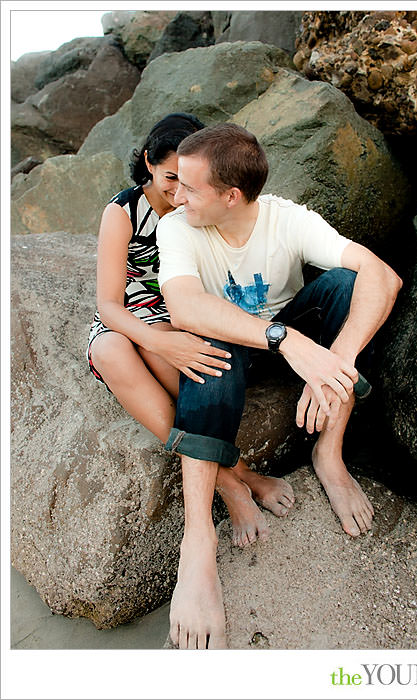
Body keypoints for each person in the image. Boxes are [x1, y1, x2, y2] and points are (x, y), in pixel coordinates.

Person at [156, 122, 402, 649]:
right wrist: (287, 340)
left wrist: (336, 362)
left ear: (231, 196)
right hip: (239, 343)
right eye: (175, 184)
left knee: (344, 285)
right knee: (201, 340)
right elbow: (183, 305)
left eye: (189, 187)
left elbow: (384, 276)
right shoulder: (178, 226)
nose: (175, 195)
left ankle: (329, 455)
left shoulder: (289, 220)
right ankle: (198, 539)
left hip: (293, 334)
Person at [88, 113, 294, 553]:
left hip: (181, 309)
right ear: (148, 161)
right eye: (169, 177)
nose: (178, 191)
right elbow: (107, 304)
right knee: (110, 351)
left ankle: (228, 476)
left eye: (187, 180)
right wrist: (153, 337)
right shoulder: (123, 212)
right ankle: (235, 480)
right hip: (127, 313)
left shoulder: (204, 208)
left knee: (180, 366)